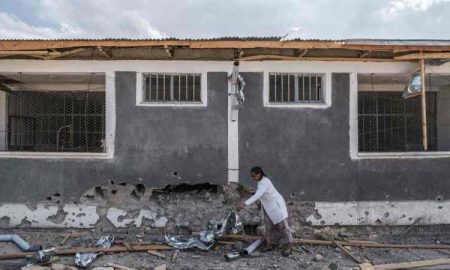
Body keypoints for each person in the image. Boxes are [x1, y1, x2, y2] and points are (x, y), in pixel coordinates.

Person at [238, 166, 293, 256]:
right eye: (251, 176)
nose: (252, 178)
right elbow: (261, 193)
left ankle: (289, 246)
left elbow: (258, 195)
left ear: (259, 174)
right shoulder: (260, 182)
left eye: (254, 176)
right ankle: (270, 244)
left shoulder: (264, 182)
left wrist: (244, 204)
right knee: (268, 227)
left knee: (283, 227)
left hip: (277, 207)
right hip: (268, 208)